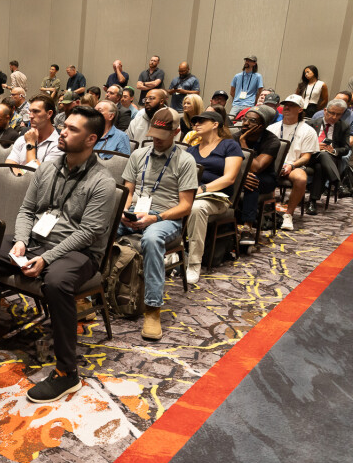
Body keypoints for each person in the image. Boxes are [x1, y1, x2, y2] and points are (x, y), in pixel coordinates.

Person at [0, 106, 115, 402]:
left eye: (73, 129)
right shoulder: (48, 167)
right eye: (65, 126)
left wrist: (47, 259)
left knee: (57, 282)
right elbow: (27, 210)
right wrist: (21, 241)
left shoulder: (102, 182)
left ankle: (67, 372)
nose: (63, 132)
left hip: (79, 251)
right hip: (36, 240)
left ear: (91, 139)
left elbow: (88, 234)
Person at [117, 108, 198, 340]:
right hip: (135, 212)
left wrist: (155, 218)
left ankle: (152, 308)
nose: (157, 140)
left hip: (166, 217)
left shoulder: (185, 161)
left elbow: (186, 206)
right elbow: (128, 191)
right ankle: (90, 293)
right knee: (100, 227)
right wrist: (123, 211)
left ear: (176, 132)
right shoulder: (138, 155)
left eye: (162, 136)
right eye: (154, 135)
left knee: (151, 239)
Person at [184, 111, 243, 283]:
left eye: (201, 121)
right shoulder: (191, 149)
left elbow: (229, 178)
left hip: (217, 197)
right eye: (195, 122)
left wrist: (202, 189)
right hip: (191, 193)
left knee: (196, 208)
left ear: (215, 124)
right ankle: (170, 253)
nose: (196, 124)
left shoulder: (229, 146)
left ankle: (194, 264)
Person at [268, 94, 318, 228]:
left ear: (300, 109)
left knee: (301, 179)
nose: (287, 107)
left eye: (292, 105)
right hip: (272, 164)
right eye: (286, 105)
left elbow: (306, 157)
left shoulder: (308, 131)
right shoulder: (272, 128)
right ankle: (269, 211)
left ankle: (288, 215)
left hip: (294, 165)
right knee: (265, 174)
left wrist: (291, 165)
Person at [234, 105, 279, 242]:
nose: (246, 123)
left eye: (252, 121)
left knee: (253, 181)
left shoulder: (272, 141)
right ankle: (228, 223)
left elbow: (256, 167)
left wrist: (243, 143)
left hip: (266, 177)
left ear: (262, 125)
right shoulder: (233, 137)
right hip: (238, 174)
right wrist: (240, 176)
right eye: (245, 119)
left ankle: (247, 228)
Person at [306, 99, 350, 209]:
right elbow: (301, 144)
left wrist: (333, 150)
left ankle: (312, 203)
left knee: (320, 165)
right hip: (310, 156)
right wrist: (315, 146)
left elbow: (346, 149)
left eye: (338, 114)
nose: (334, 117)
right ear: (325, 111)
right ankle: (338, 184)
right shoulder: (311, 124)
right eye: (332, 113)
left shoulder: (343, 126)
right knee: (322, 155)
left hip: (330, 159)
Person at [6, 95, 64, 168]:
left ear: (49, 114)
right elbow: (8, 168)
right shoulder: (22, 139)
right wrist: (20, 173)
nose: (30, 116)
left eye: (36, 111)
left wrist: (30, 143)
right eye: (30, 111)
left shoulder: (59, 145)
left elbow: (39, 173)